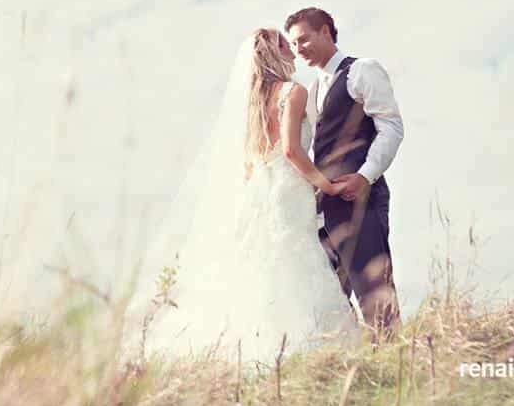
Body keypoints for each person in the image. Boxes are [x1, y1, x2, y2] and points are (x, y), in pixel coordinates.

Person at [133, 28, 359, 362]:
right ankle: (305, 346)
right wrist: (326, 185)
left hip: (260, 190)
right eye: (286, 45)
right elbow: (293, 151)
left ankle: (256, 347)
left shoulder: (251, 104)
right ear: (274, 53)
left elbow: (250, 163)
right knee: (296, 258)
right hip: (288, 186)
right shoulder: (292, 92)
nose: (293, 51)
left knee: (263, 262)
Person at [284, 7, 404, 340]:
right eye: (294, 45)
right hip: (325, 208)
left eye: (304, 39)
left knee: (374, 293)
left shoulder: (362, 70)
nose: (299, 49)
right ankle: (351, 367)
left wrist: (365, 175)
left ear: (326, 31)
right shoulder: (310, 89)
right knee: (328, 297)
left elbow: (391, 127)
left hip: (362, 199)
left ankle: (396, 366)